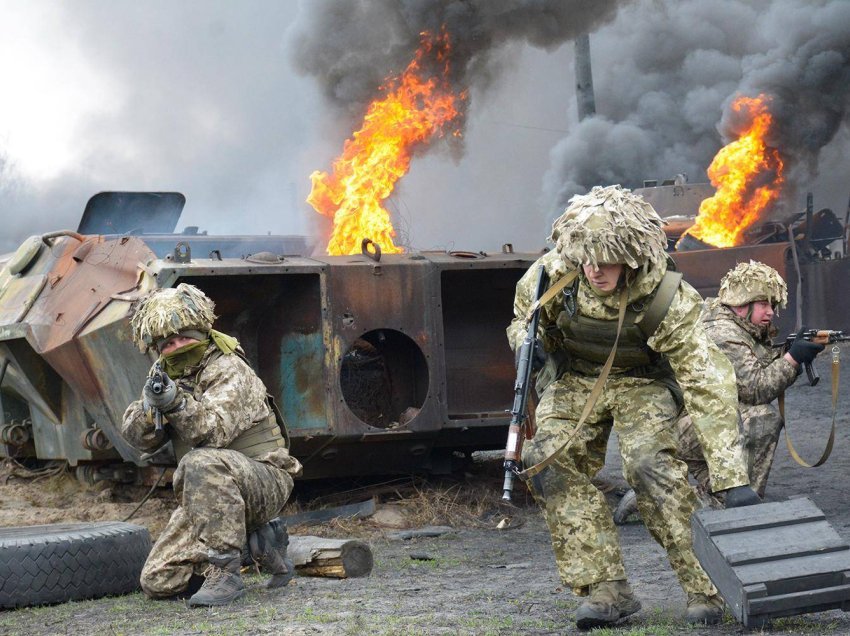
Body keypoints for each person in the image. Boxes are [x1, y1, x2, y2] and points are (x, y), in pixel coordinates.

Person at [507, 185, 759, 629]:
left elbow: (706, 379)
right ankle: (606, 589)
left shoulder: (667, 295)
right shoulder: (548, 277)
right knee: (547, 459)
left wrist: (729, 474)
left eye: (606, 261)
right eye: (587, 260)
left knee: (648, 466)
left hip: (642, 381)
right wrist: (531, 346)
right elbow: (521, 326)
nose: (594, 270)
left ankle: (706, 586)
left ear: (632, 255)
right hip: (577, 379)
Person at [121, 283, 303, 606]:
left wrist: (175, 402)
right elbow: (138, 440)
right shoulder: (165, 376)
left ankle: (226, 573)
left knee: (199, 462)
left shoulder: (229, 368)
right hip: (211, 494)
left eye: (185, 338)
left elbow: (212, 433)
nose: (177, 347)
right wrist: (150, 409)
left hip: (265, 477)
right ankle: (259, 543)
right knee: (157, 579)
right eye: (168, 343)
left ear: (201, 334)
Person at [615, 261, 824, 518]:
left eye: (773, 305)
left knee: (723, 477)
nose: (770, 312)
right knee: (761, 418)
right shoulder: (723, 333)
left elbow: (748, 372)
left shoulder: (734, 322)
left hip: (696, 421)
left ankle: (657, 497)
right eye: (763, 304)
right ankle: (734, 506)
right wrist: (792, 359)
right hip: (680, 429)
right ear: (740, 303)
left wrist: (788, 352)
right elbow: (755, 389)